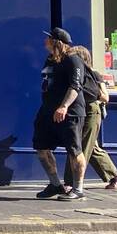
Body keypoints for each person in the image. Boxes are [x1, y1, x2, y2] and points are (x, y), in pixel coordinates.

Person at [33, 27, 87, 201]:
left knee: (74, 150)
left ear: (57, 42)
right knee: (41, 147)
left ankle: (78, 189)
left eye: (48, 39)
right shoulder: (50, 59)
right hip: (48, 110)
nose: (45, 41)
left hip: (69, 112)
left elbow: (75, 86)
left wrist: (63, 107)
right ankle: (55, 184)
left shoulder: (73, 60)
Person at [69, 44, 117, 193]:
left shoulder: (94, 75)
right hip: (80, 111)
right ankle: (115, 175)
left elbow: (106, 97)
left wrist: (93, 92)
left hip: (91, 111)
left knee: (80, 147)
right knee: (91, 146)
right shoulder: (77, 73)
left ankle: (70, 182)